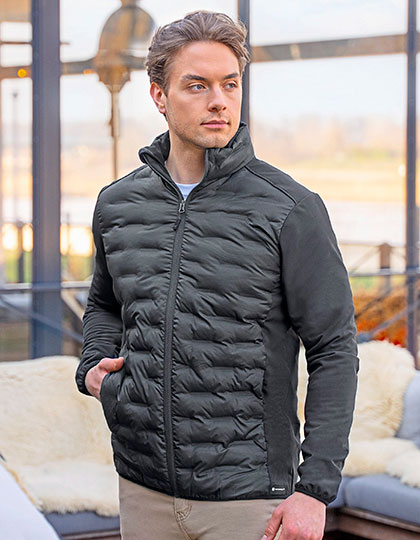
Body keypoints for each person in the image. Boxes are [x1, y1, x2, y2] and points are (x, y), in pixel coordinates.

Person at [75, 10, 359, 540]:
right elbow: (105, 304)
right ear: (159, 95)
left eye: (230, 84)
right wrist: (93, 365)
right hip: (142, 488)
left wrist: (315, 489)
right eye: (197, 85)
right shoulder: (117, 204)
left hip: (251, 501)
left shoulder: (290, 208)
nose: (219, 101)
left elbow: (334, 348)